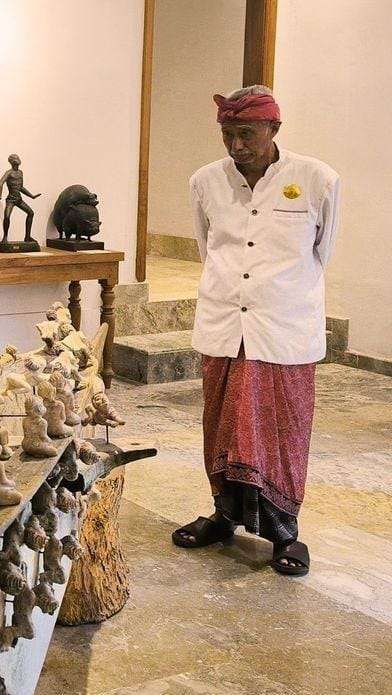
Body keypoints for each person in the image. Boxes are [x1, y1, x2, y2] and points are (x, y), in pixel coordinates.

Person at [173, 85, 341, 576]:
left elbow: (322, 252)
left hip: (284, 329)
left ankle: (286, 533)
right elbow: (208, 248)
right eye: (228, 134)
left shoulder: (318, 180)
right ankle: (224, 515)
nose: (237, 145)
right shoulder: (205, 181)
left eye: (246, 133)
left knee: (283, 431)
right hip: (226, 325)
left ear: (274, 129)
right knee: (221, 425)